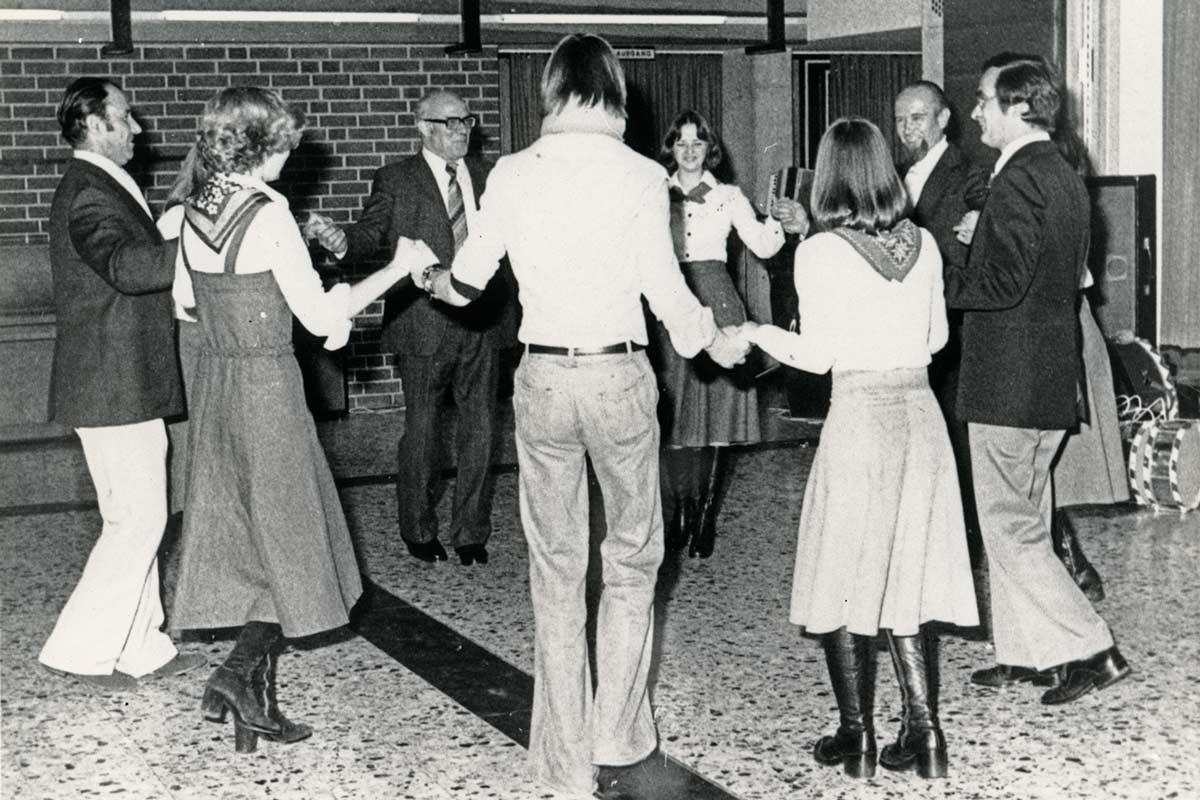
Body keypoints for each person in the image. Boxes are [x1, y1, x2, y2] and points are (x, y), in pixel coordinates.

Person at [405, 33, 749, 799]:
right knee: (632, 558)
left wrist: (427, 275)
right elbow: (668, 293)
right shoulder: (641, 175)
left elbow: (465, 285)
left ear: (552, 90)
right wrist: (718, 343)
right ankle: (618, 734)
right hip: (619, 374)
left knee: (556, 571)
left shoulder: (512, 173)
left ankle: (561, 765)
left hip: (543, 381)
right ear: (616, 91)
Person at [165, 86, 430, 752]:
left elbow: (187, 305)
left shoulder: (192, 210)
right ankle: (235, 674)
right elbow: (321, 320)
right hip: (268, 391)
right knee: (294, 538)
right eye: (285, 140)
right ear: (264, 143)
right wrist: (399, 268)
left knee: (252, 538)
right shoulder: (270, 213)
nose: (292, 152)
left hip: (218, 387)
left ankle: (251, 695)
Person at [738, 117, 979, 781]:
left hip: (861, 418)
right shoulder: (923, 244)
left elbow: (816, 355)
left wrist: (757, 331)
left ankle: (858, 737)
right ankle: (925, 733)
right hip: (921, 416)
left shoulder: (820, 251)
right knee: (907, 570)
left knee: (843, 574)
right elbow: (936, 341)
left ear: (828, 177)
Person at [948, 55, 1129, 704]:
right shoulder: (1064, 174)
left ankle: (1092, 648)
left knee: (1009, 525)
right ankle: (1030, 655)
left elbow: (1001, 284)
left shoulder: (1020, 178)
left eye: (984, 100)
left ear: (1020, 106)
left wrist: (940, 275)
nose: (975, 112)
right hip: (1048, 378)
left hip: (1010, 382)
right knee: (1023, 517)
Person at [38, 77, 206, 691]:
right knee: (136, 522)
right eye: (125, 116)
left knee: (140, 518)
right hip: (113, 384)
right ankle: (80, 650)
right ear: (93, 124)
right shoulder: (88, 190)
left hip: (123, 381)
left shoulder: (103, 183)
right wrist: (202, 240)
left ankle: (141, 648)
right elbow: (127, 268)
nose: (137, 127)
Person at [305, 90, 516, 567]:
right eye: (449, 122)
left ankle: (470, 533)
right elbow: (369, 234)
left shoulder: (491, 176)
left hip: (483, 321)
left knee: (481, 430)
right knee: (422, 432)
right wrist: (341, 242)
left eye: (466, 121)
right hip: (422, 322)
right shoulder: (396, 179)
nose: (461, 130)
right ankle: (418, 529)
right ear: (422, 127)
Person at [652, 109, 803, 559]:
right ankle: (679, 511)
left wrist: (778, 218)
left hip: (718, 302)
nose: (690, 151)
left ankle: (703, 515)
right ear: (671, 148)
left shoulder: (729, 196)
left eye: (697, 142)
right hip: (670, 301)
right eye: (681, 142)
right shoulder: (653, 191)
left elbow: (765, 246)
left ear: (709, 148)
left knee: (715, 414)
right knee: (674, 418)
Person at [893, 81, 985, 568]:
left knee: (957, 439)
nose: (907, 129)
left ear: (944, 119)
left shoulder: (969, 173)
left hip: (954, 328)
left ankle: (966, 550)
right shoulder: (896, 178)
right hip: (909, 329)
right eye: (900, 120)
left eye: (918, 118)